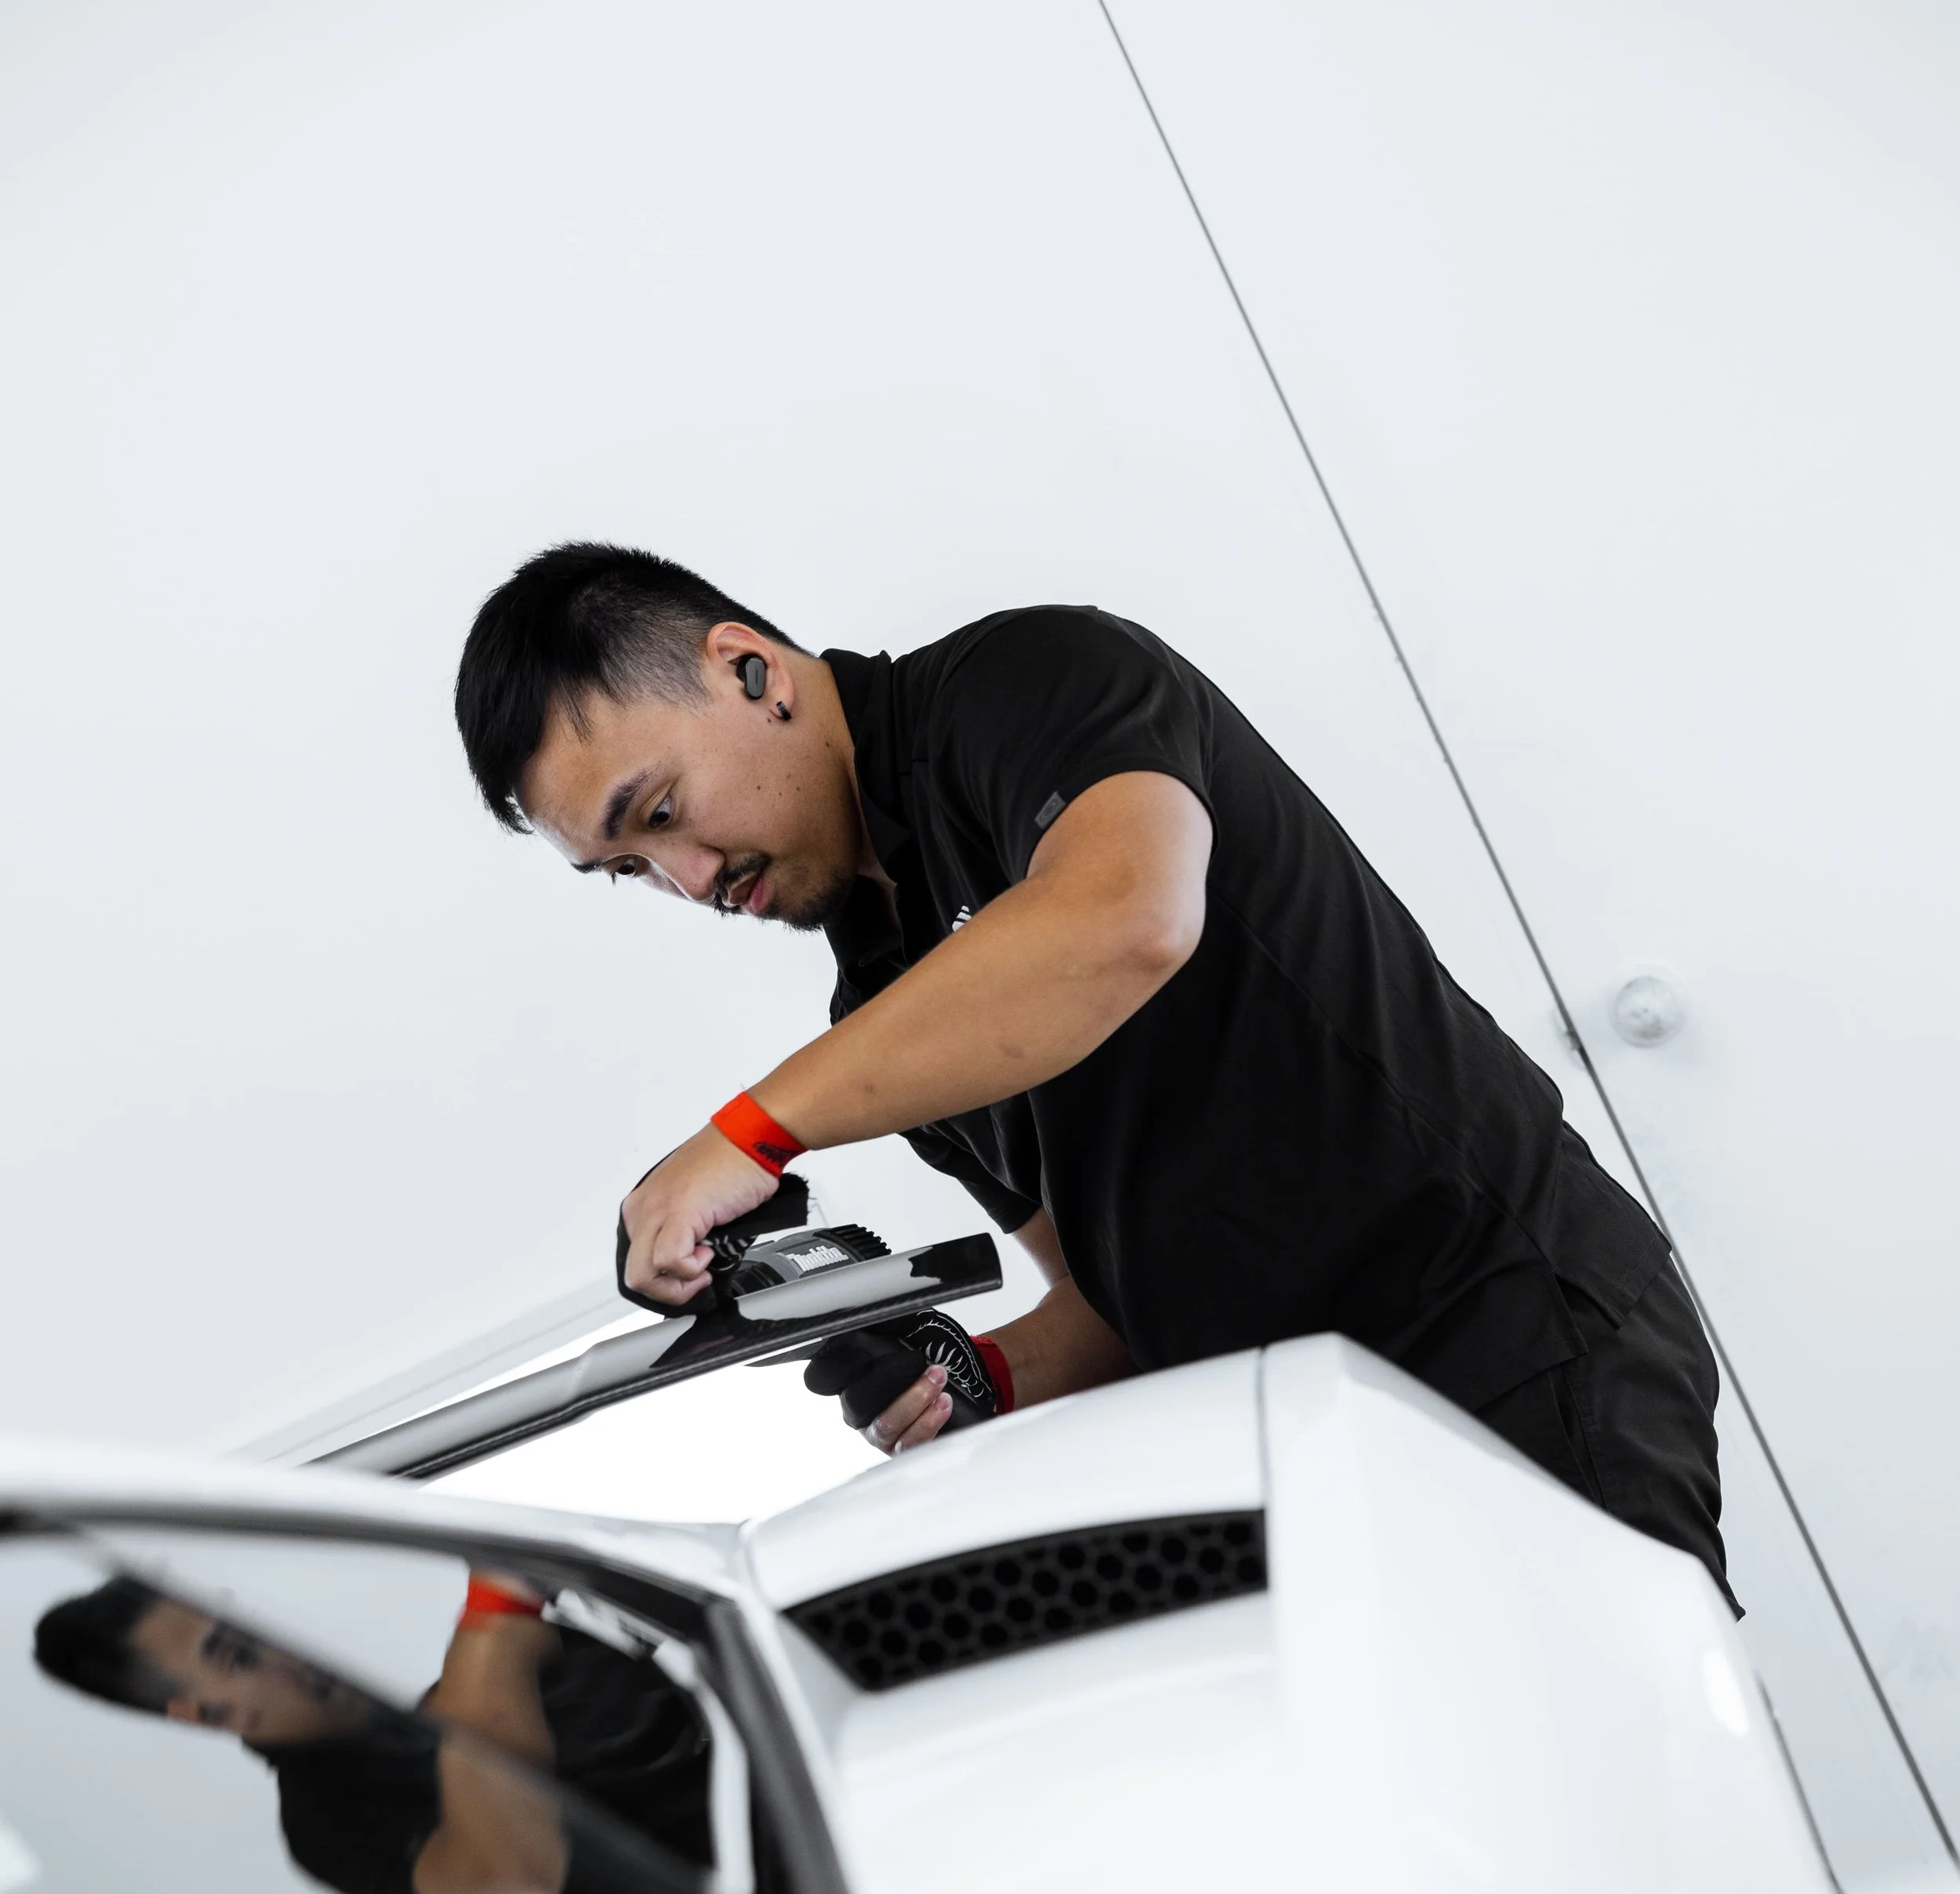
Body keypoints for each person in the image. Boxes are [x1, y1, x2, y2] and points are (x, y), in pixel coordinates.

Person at [452, 545, 1732, 1600]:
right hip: (1315, 1450)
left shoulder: (1031, 681)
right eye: (626, 871)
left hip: (1509, 1339)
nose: (685, 884)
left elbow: (1125, 917)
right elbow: (1115, 1299)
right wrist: (975, 1378)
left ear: (748, 669)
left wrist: (751, 1130)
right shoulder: (883, 1006)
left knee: (1660, 1827)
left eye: (660, 812)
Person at [31, 1567, 755, 1894]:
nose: (282, 1648)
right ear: (203, 1715)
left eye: (249, 1622)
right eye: (236, 1655)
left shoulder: (478, 1671)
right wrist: (493, 1628)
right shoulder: (333, 1831)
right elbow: (513, 1872)